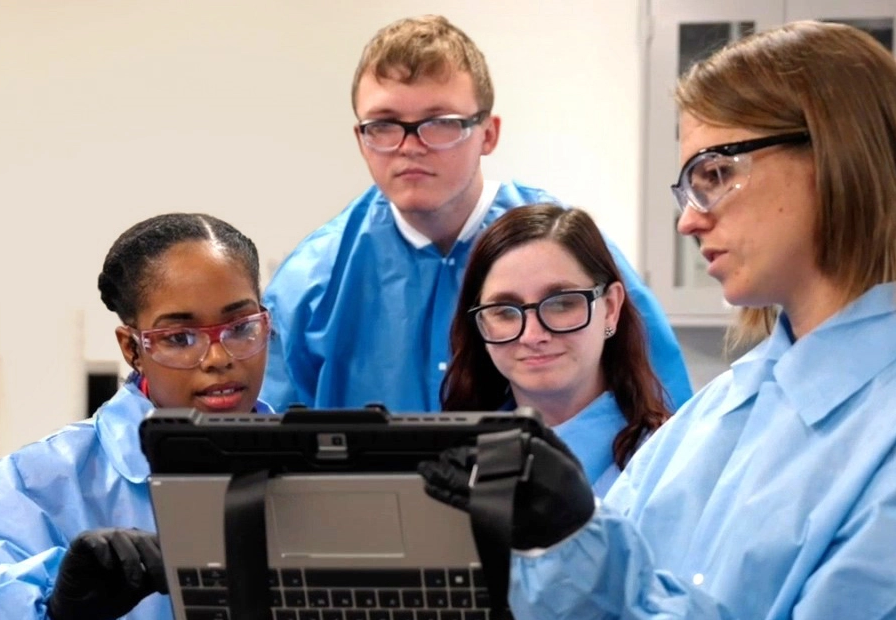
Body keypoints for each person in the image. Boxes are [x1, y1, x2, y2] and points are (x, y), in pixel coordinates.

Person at [418, 22, 896, 619]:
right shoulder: (736, 402)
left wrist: (577, 549)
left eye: (716, 172)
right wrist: (556, 540)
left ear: (835, 157)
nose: (689, 219)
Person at [262, 14, 695, 413]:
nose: (410, 146)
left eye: (440, 122)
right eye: (384, 125)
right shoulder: (311, 285)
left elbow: (665, 420)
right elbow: (265, 441)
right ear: (361, 139)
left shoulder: (567, 253)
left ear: (488, 134)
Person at [0, 214, 275, 620]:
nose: (219, 358)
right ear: (132, 349)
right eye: (179, 338)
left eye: (240, 328)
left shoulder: (311, 469)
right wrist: (53, 609)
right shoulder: (36, 484)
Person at [441, 204, 675, 495]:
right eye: (504, 311)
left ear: (611, 308)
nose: (532, 335)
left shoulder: (669, 461)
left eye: (562, 304)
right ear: (481, 326)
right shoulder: (457, 463)